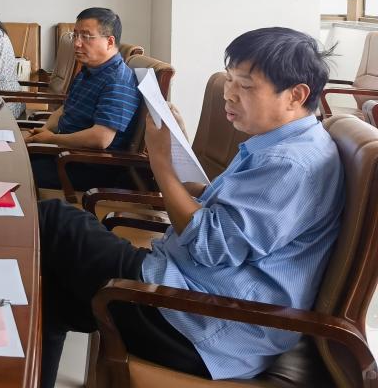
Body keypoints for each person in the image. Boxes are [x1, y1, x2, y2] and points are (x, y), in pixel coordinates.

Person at [38, 27, 344, 387]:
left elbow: (209, 244)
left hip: (204, 324)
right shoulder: (286, 145)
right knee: (54, 297)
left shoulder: (289, 163)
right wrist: (179, 150)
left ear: (296, 95)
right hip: (195, 299)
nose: (229, 94)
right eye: (229, 80)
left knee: (56, 221)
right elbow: (233, 217)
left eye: (246, 86)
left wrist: (160, 163)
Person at [27, 7, 141, 191]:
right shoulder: (88, 71)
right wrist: (45, 130)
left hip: (90, 166)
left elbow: (100, 138)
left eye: (86, 36)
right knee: (13, 154)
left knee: (18, 172)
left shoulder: (118, 80)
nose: (77, 43)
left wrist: (52, 138)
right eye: (75, 35)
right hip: (65, 154)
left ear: (109, 42)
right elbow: (65, 109)